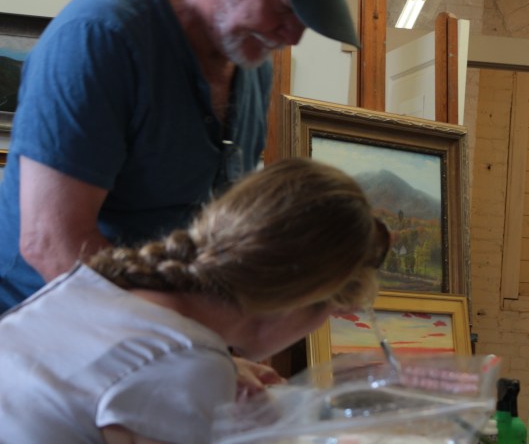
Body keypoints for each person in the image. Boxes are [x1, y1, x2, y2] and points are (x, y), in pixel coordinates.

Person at [0, 0, 360, 313]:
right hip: (41, 326)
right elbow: (52, 244)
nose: (293, 36)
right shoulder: (100, 36)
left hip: (156, 326)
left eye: (306, 19)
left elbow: (215, 230)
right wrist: (182, 336)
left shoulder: (253, 66)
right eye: (285, 6)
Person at [0, 157, 390, 444]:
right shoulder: (186, 363)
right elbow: (164, 370)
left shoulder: (95, 287)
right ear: (299, 298)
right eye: (329, 312)